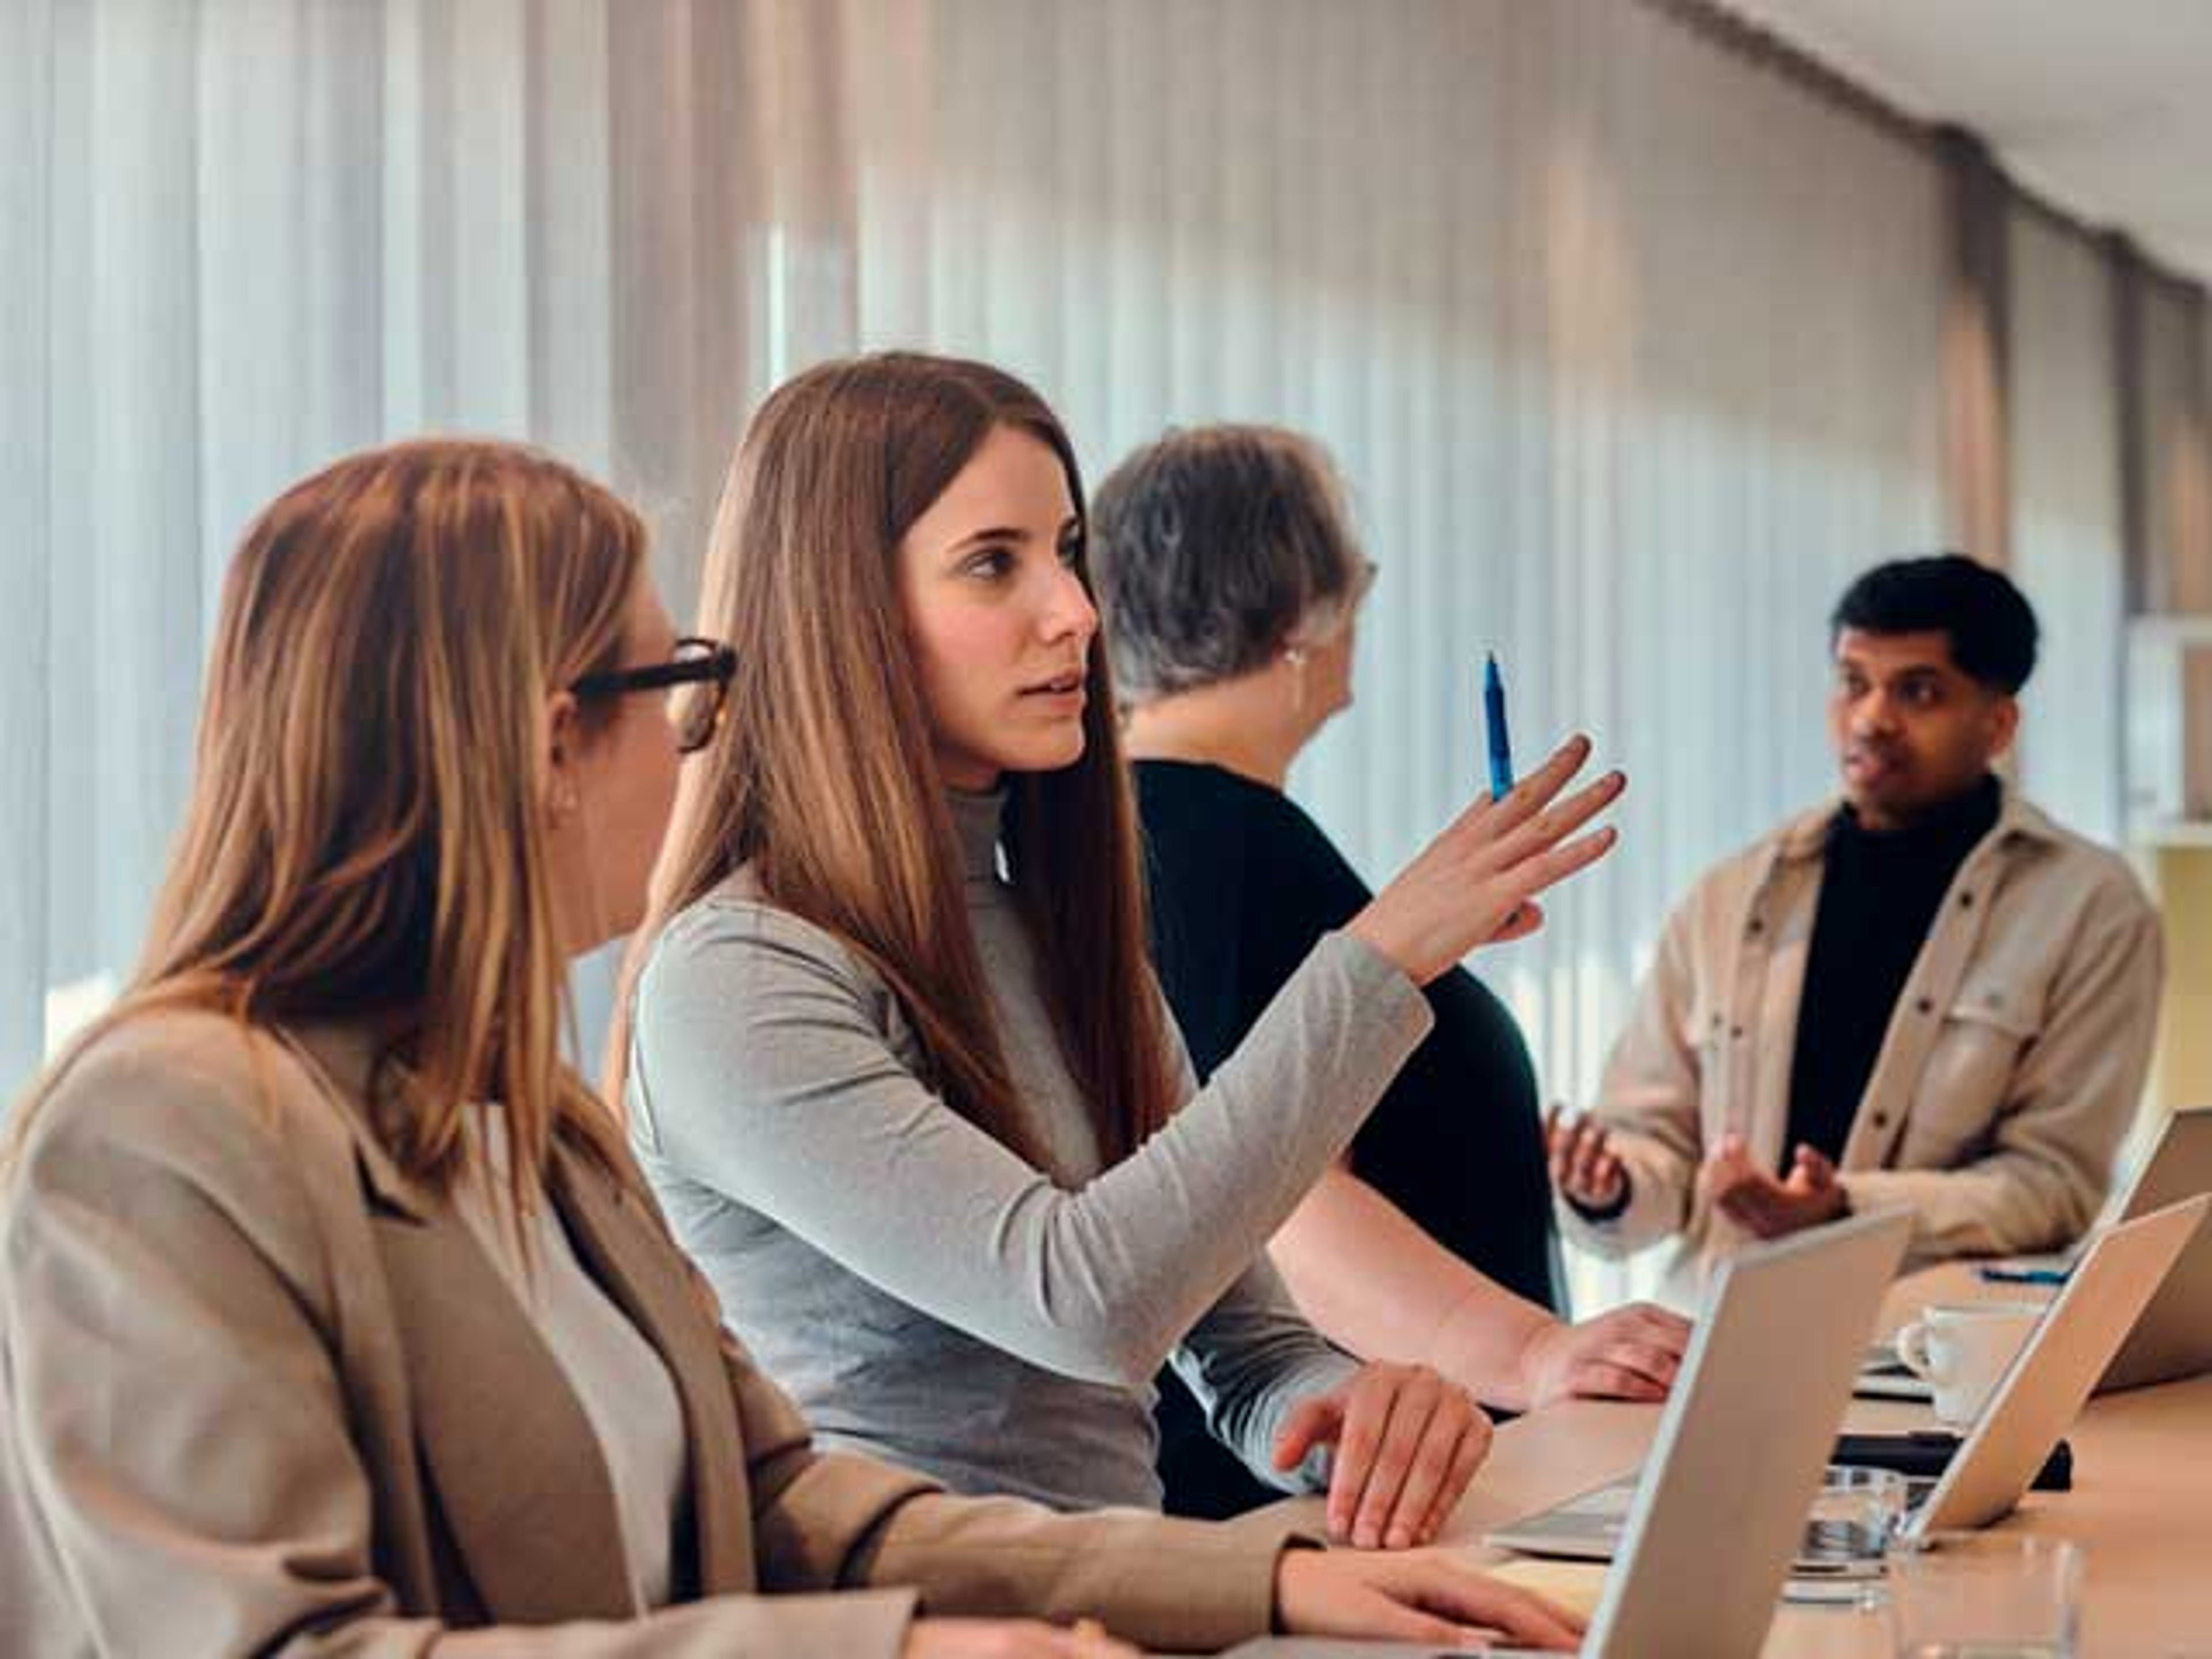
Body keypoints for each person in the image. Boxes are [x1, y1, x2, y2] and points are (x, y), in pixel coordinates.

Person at [0, 439, 1585, 1657]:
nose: (702, 728)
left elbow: (780, 1507)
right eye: (674, 681)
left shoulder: (529, 1119)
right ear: (554, 738)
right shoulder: (163, 1129)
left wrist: (1285, 1575)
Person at [619, 353, 1623, 1557]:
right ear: (842, 607)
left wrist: (1343, 1411)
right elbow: (1085, 1302)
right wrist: (1382, 959)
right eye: (996, 563)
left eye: (1068, 550)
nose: (1077, 614)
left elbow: (1242, 1347)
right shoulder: (738, 975)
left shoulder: (1055, 935)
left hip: (1122, 1601)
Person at [1086, 424, 1690, 1518]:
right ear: (1301, 614)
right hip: (1324, 1498)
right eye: (1354, 580)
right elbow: (1268, 1204)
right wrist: (1538, 1354)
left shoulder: (1158, 836)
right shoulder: (1215, 849)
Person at [1548, 554, 2164, 1308]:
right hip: (1709, 1330)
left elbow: (2052, 1185)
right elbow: (1660, 1149)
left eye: (1919, 691)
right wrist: (1609, 1185)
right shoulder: (1730, 896)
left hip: (1931, 1357)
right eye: (1853, 682)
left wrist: (1844, 1208)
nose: (1871, 718)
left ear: (1998, 723)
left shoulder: (2091, 907)